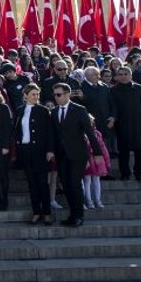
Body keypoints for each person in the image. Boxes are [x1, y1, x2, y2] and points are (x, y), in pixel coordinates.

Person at [51, 83, 104, 228]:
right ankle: (72, 215)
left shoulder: (79, 110)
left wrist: (97, 152)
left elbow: (89, 132)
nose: (56, 97)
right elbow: (54, 135)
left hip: (78, 154)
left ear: (67, 94)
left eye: (59, 94)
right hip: (62, 155)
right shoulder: (54, 112)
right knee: (67, 186)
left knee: (75, 184)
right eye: (54, 94)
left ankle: (79, 216)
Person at [14, 84, 54, 225]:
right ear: (25, 95)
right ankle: (36, 211)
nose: (36, 97)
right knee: (32, 184)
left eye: (37, 94)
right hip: (25, 150)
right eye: (33, 94)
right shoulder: (19, 111)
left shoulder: (43, 111)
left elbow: (50, 132)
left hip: (40, 151)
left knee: (43, 183)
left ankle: (47, 212)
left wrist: (50, 150)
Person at [110, 66, 141, 181]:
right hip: (122, 125)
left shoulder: (140, 89)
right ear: (117, 76)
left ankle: (139, 172)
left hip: (138, 124)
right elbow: (113, 107)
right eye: (120, 74)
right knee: (123, 151)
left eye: (125, 74)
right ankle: (125, 173)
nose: (123, 76)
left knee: (139, 150)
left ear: (130, 75)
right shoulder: (113, 90)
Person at [83, 116, 111, 209]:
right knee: (87, 181)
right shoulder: (82, 134)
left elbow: (103, 148)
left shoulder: (97, 134)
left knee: (96, 180)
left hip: (97, 159)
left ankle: (98, 201)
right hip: (87, 159)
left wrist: (106, 161)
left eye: (90, 121)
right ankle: (88, 201)